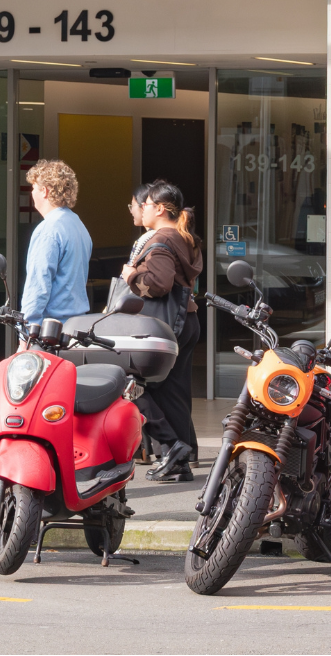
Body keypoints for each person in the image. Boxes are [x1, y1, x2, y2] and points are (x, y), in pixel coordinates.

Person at [123, 179, 202, 482]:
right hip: (186, 320)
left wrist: (132, 276)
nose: (141, 208)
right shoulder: (183, 236)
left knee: (131, 384)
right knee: (173, 392)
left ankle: (171, 448)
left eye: (145, 204)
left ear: (159, 208)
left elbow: (159, 284)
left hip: (163, 325)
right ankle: (180, 462)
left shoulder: (162, 239)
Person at [20, 160, 91, 325]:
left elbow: (38, 285)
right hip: (77, 325)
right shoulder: (78, 225)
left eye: (33, 188)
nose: (32, 193)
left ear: (44, 191)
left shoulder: (48, 230)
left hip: (51, 329)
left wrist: (28, 330)